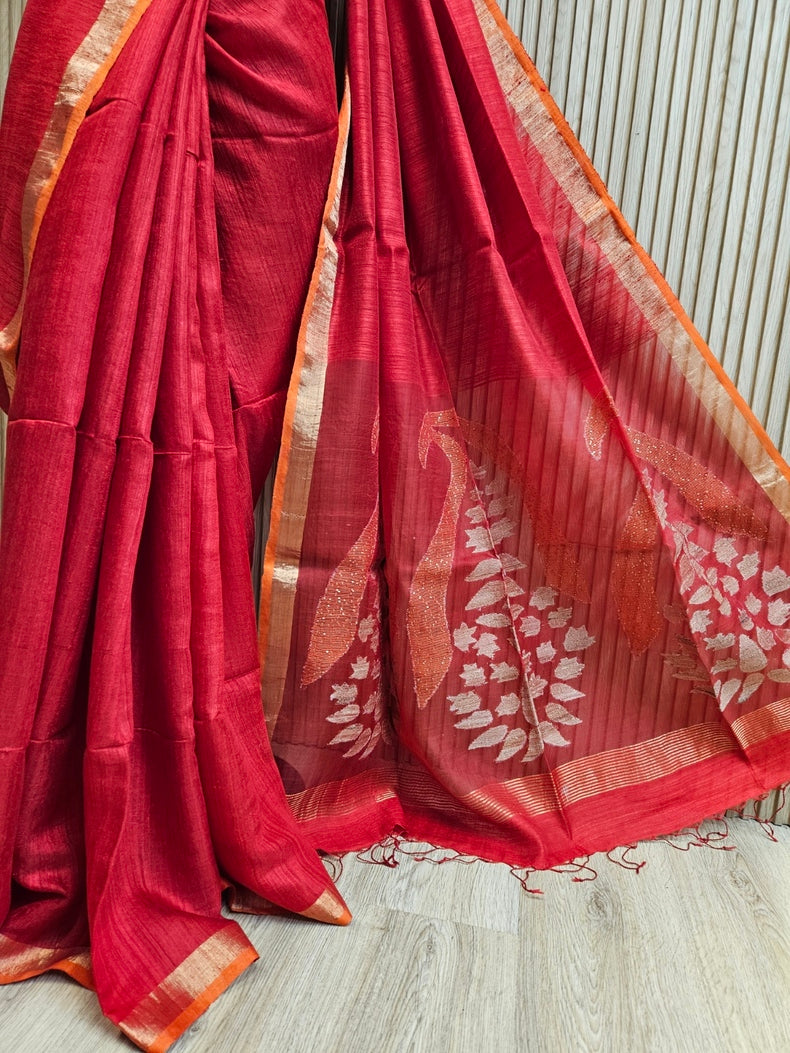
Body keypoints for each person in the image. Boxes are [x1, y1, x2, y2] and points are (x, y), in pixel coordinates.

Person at [1, 1, 789, 1049]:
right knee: (109, 407)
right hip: (114, 28)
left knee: (223, 440)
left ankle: (188, 771)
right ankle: (96, 791)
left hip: (274, 51)